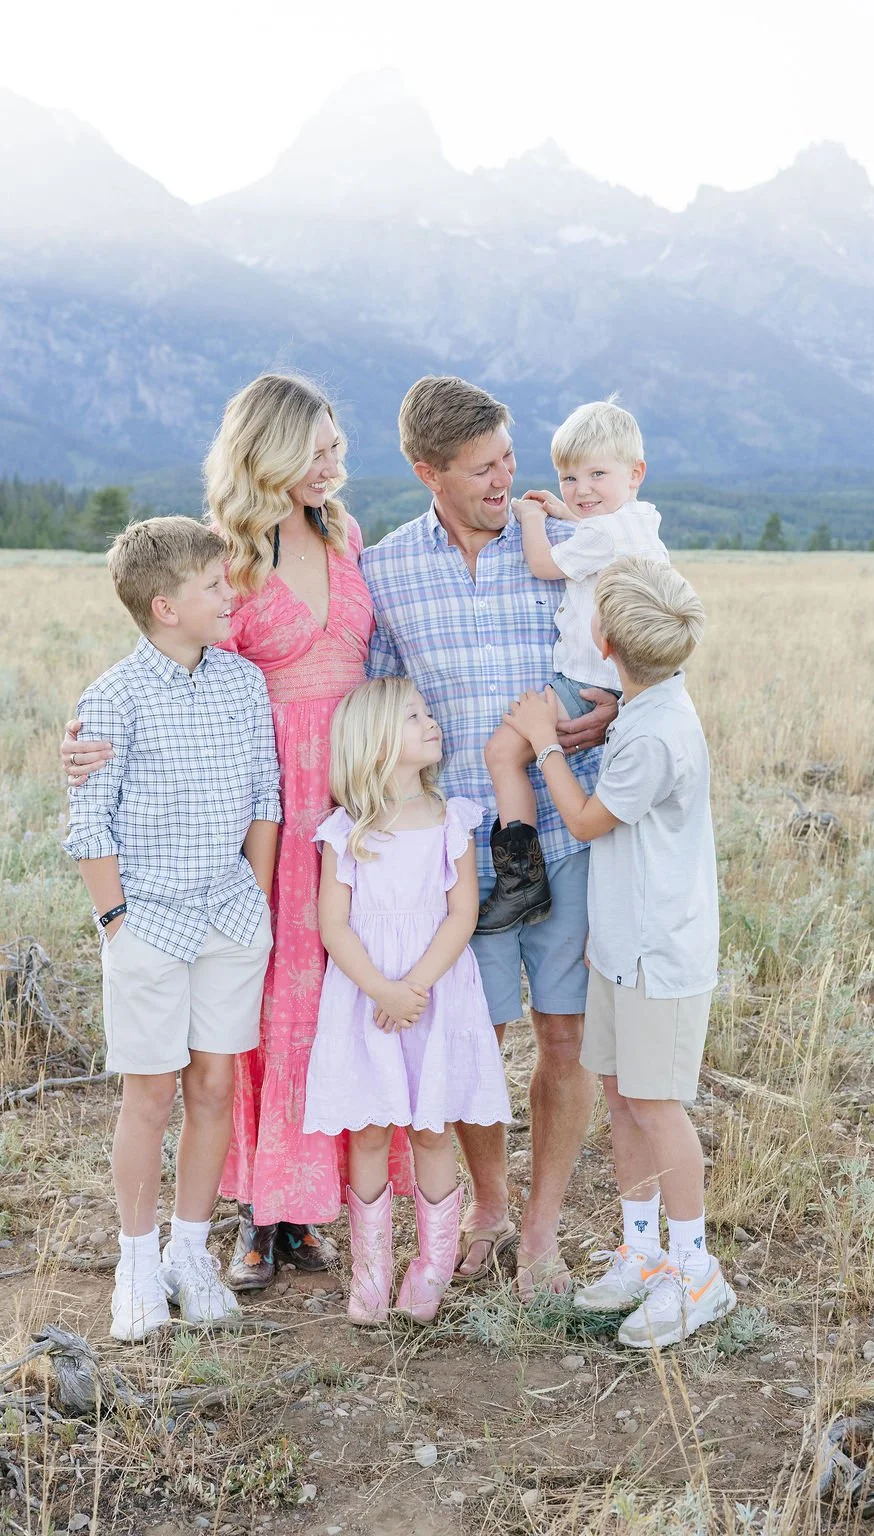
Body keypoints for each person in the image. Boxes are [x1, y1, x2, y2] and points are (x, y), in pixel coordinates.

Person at [62, 374, 412, 1293]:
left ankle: (325, 1200)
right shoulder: (228, 557)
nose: (335, 467)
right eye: (318, 452)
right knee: (268, 1006)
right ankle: (263, 1210)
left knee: (345, 989)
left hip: (356, 787)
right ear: (267, 455)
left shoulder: (347, 535)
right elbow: (168, 668)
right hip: (266, 800)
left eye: (339, 448)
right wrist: (86, 743)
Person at [361, 376, 618, 1301]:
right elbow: (375, 706)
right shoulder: (386, 570)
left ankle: (542, 1234)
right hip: (461, 850)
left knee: (564, 1034)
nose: (507, 478)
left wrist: (613, 706)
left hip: (568, 829)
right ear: (428, 472)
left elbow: (640, 641)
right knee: (471, 1039)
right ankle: (490, 1206)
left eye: (510, 457)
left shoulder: (569, 547)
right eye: (483, 468)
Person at [502, 556, 736, 1347]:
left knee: (658, 1104)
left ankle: (697, 1271)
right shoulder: (644, 707)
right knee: (622, 1091)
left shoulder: (657, 734)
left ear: (600, 639)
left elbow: (588, 820)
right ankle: (641, 1252)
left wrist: (545, 745)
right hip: (621, 947)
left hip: (660, 954)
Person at [63, 517, 279, 1341]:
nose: (231, 595)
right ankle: (137, 1259)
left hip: (228, 915)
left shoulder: (241, 685)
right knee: (150, 1092)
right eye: (215, 586)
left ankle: (193, 1250)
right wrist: (118, 922)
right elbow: (91, 826)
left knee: (215, 1084)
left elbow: (265, 796)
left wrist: (253, 899)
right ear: (164, 606)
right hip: (148, 921)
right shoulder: (112, 697)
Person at [304, 679, 512, 1325]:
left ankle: (430, 1272)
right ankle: (369, 1275)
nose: (431, 722)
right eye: (413, 716)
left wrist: (414, 988)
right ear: (376, 743)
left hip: (435, 993)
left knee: (430, 1129)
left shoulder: (452, 819)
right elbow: (333, 924)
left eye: (426, 712)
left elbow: (463, 912)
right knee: (368, 1132)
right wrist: (382, 989)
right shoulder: (346, 831)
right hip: (368, 996)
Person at [477, 398, 669, 933]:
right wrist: (569, 515)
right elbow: (598, 533)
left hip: (587, 679)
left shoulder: (605, 534)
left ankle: (522, 881)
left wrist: (533, 515)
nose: (581, 490)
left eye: (596, 475)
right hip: (618, 680)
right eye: (569, 478)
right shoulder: (638, 522)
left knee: (501, 752)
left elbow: (543, 564)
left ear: (635, 473)